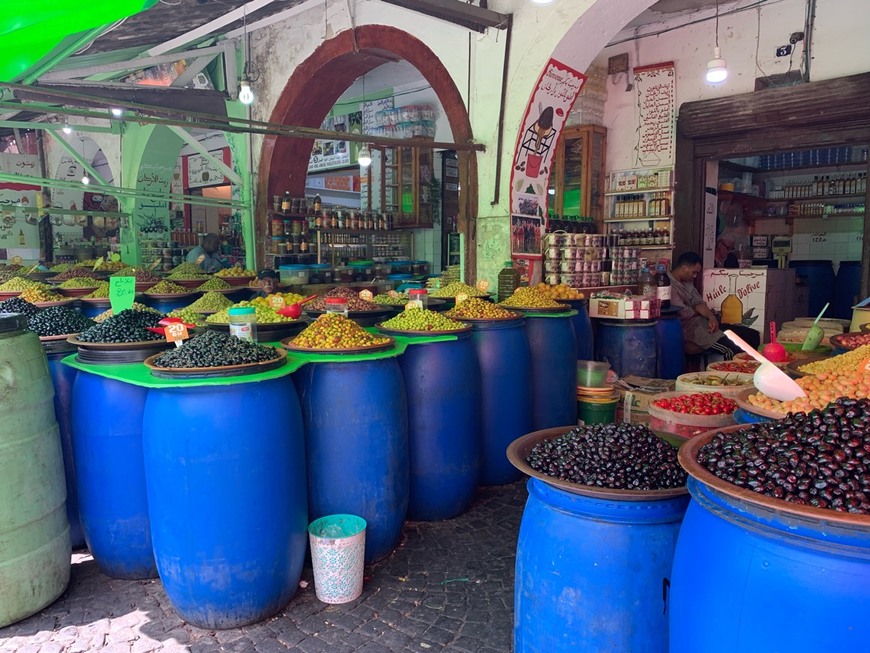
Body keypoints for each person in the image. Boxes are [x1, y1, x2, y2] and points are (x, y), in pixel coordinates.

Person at [668, 251, 760, 360]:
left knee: (752, 335)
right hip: (691, 330)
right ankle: (731, 376)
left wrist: (711, 317)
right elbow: (684, 313)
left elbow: (699, 303)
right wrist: (698, 311)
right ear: (684, 268)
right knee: (731, 349)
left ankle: (750, 372)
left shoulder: (687, 282)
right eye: (694, 272)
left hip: (704, 323)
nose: (695, 276)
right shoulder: (669, 284)